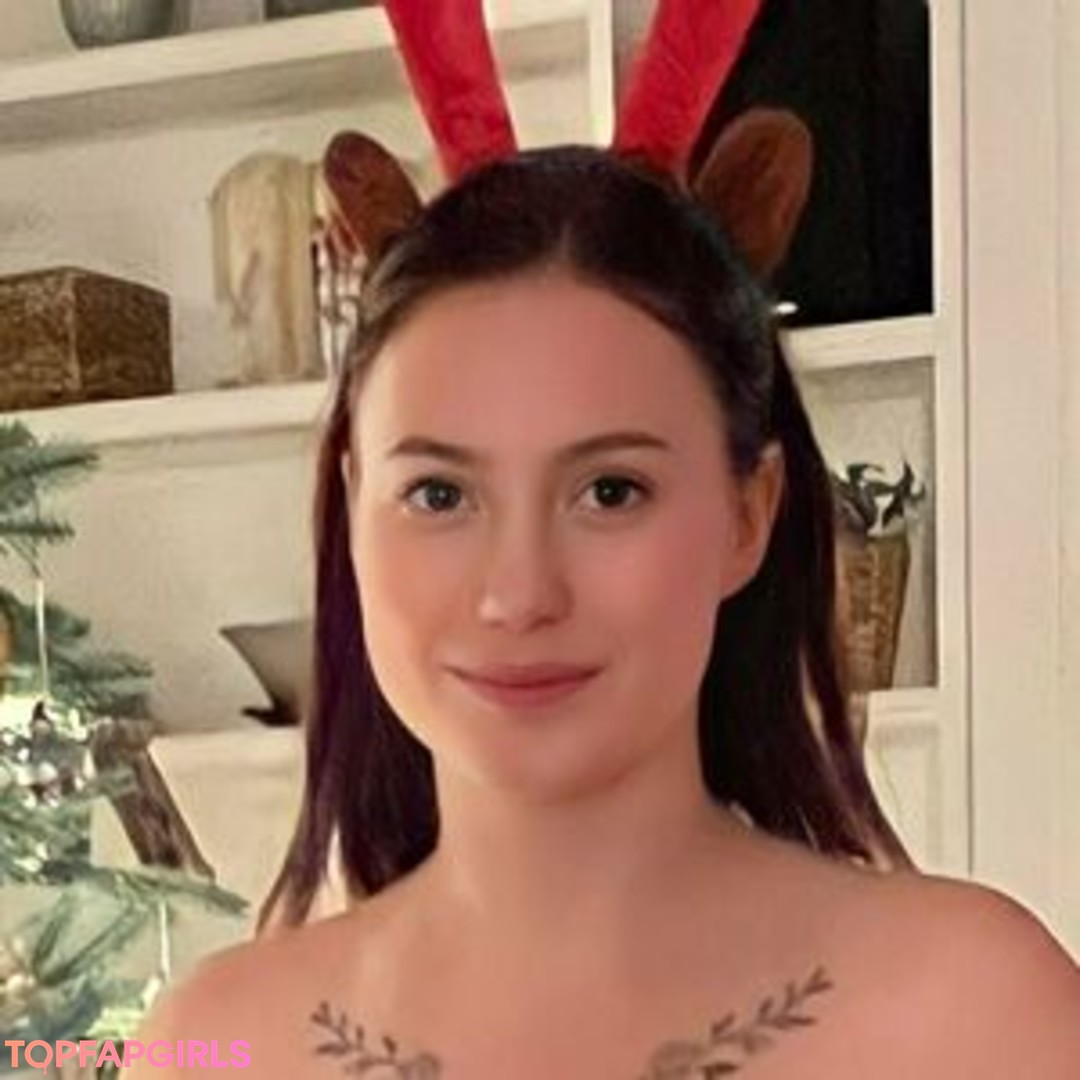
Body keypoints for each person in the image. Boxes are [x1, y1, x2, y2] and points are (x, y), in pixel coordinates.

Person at [123, 144, 1080, 1080]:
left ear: (748, 516)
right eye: (439, 495)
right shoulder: (211, 1047)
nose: (519, 595)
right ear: (352, 506)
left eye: (611, 492)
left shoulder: (978, 1014)